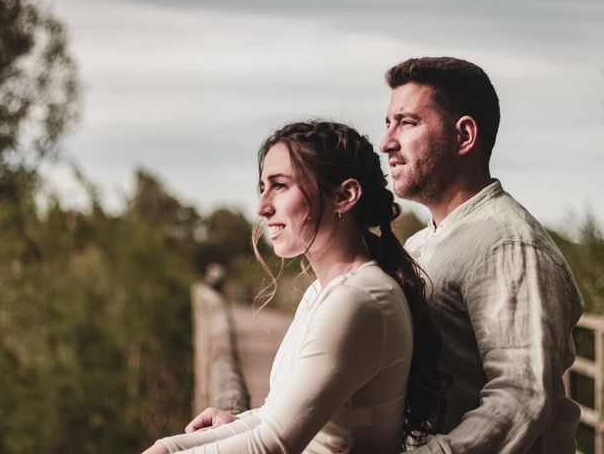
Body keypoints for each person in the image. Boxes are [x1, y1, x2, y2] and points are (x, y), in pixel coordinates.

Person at [142, 121, 445, 453]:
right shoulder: (323, 292)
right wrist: (168, 445)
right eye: (263, 188)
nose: (262, 207)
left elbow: (273, 443)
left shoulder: (359, 299)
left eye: (281, 186)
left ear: (345, 196)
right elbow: (274, 418)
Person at [379, 56, 584, 453]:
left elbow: (520, 397)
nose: (387, 141)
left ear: (465, 136)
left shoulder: (508, 245)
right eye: (389, 123)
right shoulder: (422, 243)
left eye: (407, 122)